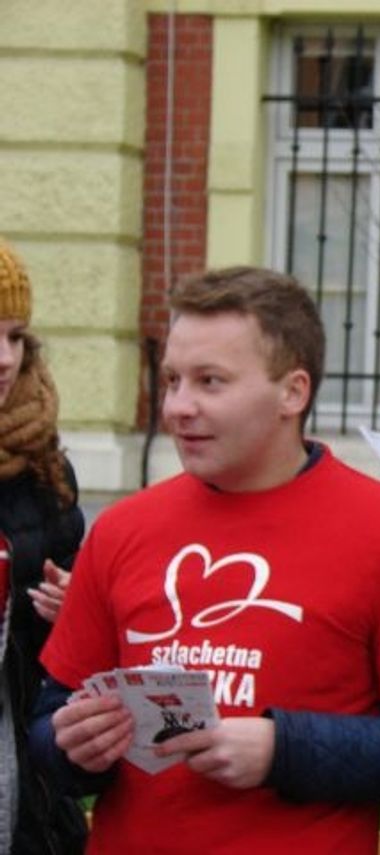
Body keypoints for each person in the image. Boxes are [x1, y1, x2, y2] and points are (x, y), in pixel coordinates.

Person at [29, 266, 380, 854]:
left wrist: (281, 749)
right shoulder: (122, 528)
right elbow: (48, 722)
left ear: (293, 392)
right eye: (172, 380)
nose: (179, 407)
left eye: (210, 382)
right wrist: (72, 748)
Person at [0, 238, 88, 854]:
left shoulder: (42, 466)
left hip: (18, 793)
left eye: (14, 336)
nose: (5, 358)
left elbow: (63, 671)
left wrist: (73, 613)